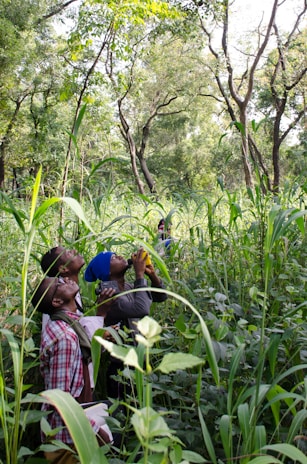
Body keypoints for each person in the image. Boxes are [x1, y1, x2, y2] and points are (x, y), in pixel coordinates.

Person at [31, 276, 114, 464]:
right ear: (57, 301)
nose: (65, 280)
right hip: (68, 438)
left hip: (71, 431)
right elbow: (60, 399)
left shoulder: (66, 325)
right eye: (59, 284)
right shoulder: (65, 337)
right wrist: (95, 430)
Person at [84, 248, 167, 398]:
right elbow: (141, 309)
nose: (120, 256)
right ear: (107, 272)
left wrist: (152, 274)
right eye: (113, 258)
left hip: (138, 359)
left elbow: (160, 297)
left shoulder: (128, 286)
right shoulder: (109, 295)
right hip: (121, 368)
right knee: (124, 412)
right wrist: (139, 274)